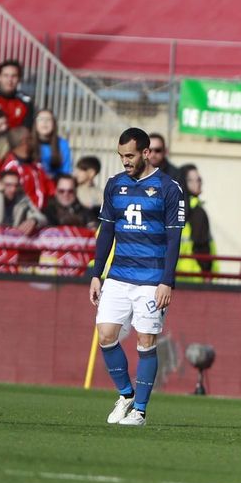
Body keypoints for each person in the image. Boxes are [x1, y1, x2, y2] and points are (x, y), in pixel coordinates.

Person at [91, 127, 187, 427]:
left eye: (130, 155)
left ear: (146, 153)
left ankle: (140, 411)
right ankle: (126, 395)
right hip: (118, 275)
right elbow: (106, 232)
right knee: (106, 335)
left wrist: (166, 281)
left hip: (151, 279)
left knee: (146, 341)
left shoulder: (169, 188)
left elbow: (174, 239)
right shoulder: (114, 185)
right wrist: (96, 274)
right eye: (121, 156)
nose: (125, 161)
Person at [175, 164, 213, 273]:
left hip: (174, 271)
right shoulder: (197, 211)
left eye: (199, 179)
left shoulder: (172, 207)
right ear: (183, 182)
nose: (198, 183)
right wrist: (206, 269)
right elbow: (201, 245)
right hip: (194, 272)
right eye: (192, 180)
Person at [0, 60, 33, 132]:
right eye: (6, 75)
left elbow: (26, 130)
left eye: (14, 76)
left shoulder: (26, 102)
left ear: (19, 79)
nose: (10, 80)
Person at [31, 107, 69, 175]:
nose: (44, 122)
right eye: (41, 119)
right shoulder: (28, 143)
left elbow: (66, 171)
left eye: (48, 119)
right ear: (35, 124)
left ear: (54, 124)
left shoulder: (62, 144)